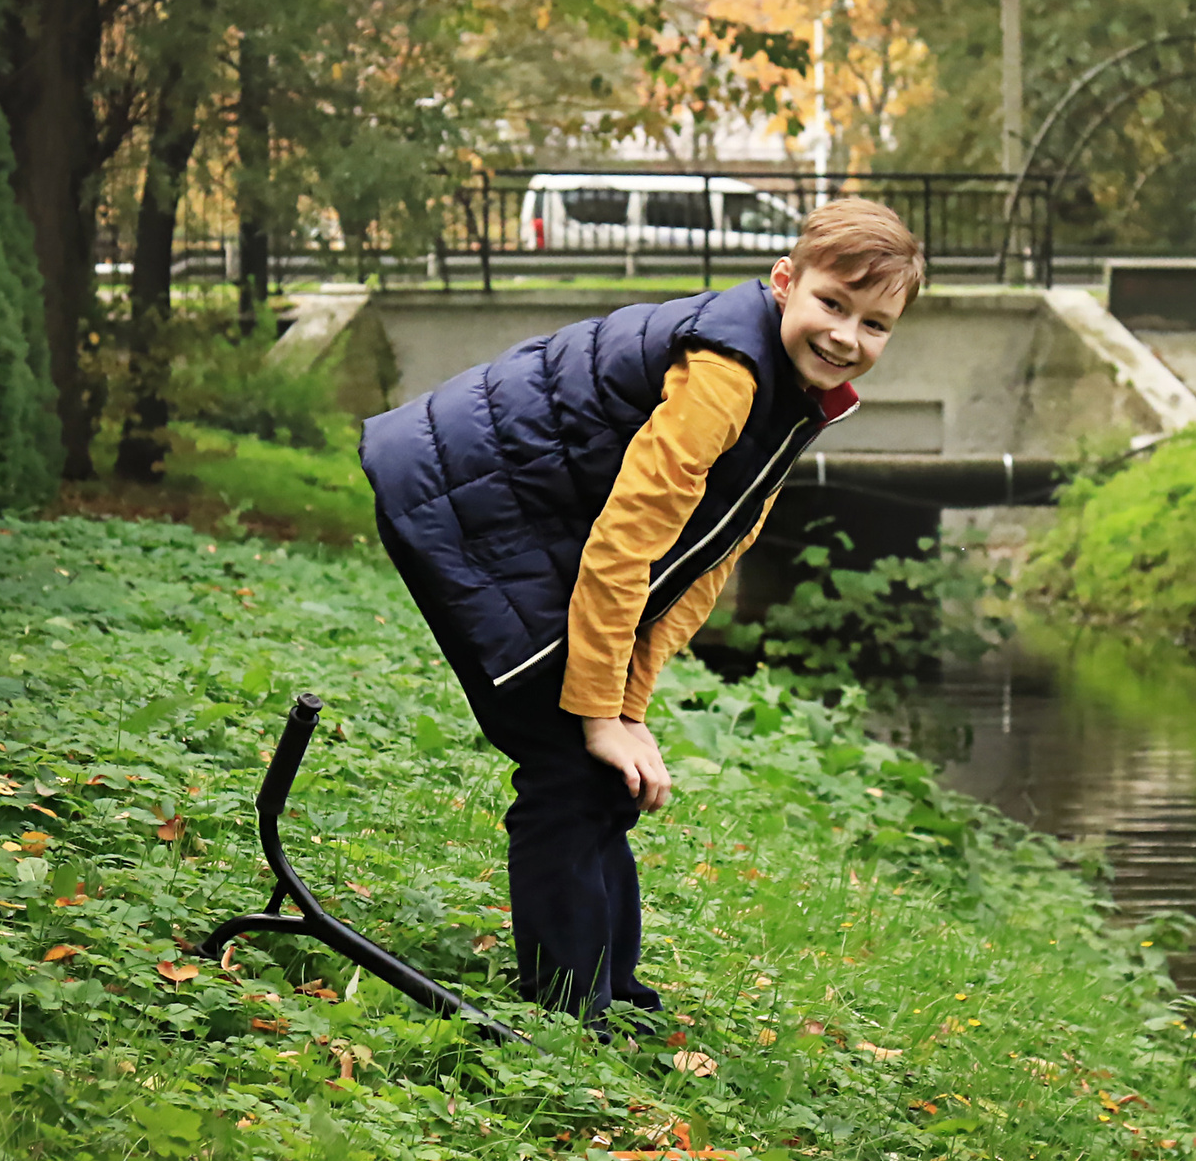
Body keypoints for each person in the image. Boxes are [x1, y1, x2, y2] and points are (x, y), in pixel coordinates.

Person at [360, 200, 924, 1027]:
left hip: (525, 515)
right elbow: (628, 543)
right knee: (567, 765)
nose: (846, 335)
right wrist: (593, 713)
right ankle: (566, 1013)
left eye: (875, 325)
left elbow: (704, 562)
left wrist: (629, 709)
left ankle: (611, 994)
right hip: (459, 501)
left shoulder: (796, 394)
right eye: (833, 303)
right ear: (783, 284)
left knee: (604, 776)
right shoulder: (730, 374)